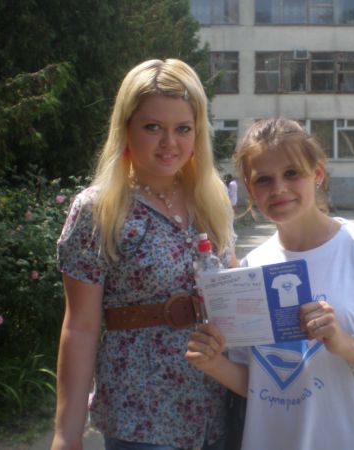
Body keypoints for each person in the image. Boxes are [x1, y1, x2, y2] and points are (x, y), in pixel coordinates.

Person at [185, 118, 354, 450]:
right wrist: (214, 364)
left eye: (291, 173)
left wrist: (344, 344)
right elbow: (259, 383)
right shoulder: (251, 269)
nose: (278, 188)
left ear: (317, 173)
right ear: (250, 189)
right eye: (263, 179)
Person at [51, 59, 237, 450]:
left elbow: (235, 298)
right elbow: (80, 327)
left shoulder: (212, 202)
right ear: (126, 128)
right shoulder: (100, 210)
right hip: (140, 416)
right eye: (153, 127)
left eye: (183, 128)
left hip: (214, 409)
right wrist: (67, 435)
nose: (170, 143)